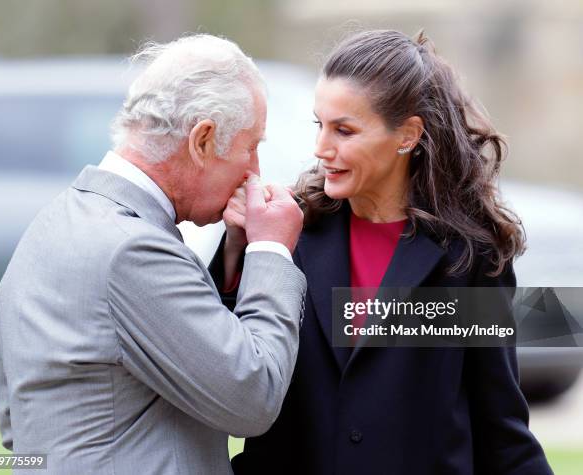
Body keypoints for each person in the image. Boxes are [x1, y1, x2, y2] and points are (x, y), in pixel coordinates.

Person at [215, 30, 553, 474]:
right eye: (320, 125)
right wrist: (241, 243)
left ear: (408, 135)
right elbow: (218, 353)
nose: (321, 149)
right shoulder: (290, 232)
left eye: (345, 130)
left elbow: (500, 428)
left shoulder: (467, 258)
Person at [0, 34, 306, 475]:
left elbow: (14, 421)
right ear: (203, 140)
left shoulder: (54, 224)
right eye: (251, 146)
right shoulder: (131, 250)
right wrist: (271, 250)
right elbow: (253, 396)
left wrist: (237, 252)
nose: (254, 170)